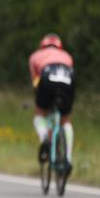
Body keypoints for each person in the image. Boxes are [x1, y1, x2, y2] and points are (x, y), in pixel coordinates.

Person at [29, 33, 75, 172]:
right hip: (68, 78)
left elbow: (36, 82)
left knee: (40, 114)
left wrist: (40, 101)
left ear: (42, 45)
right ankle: (67, 158)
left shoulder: (35, 56)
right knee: (65, 119)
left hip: (47, 76)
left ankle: (44, 138)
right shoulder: (67, 56)